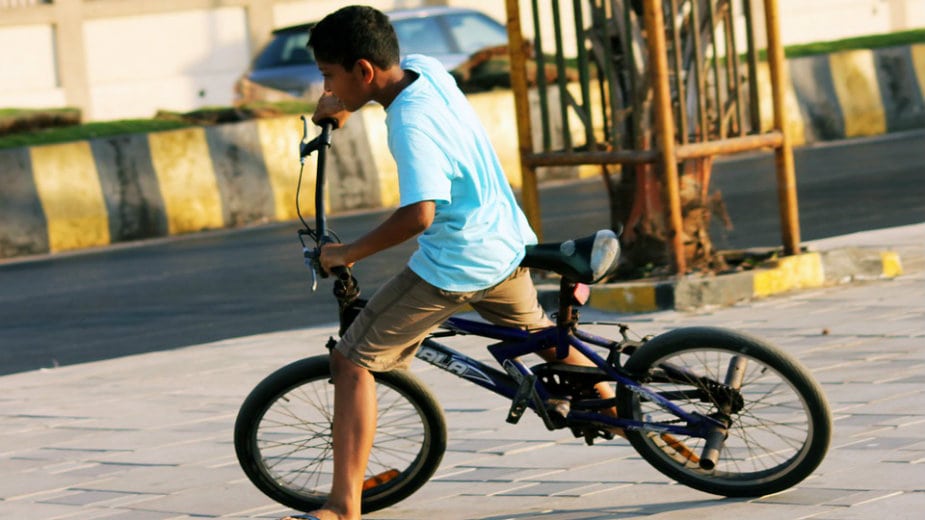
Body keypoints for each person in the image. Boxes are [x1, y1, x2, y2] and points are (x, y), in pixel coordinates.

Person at [281, 6, 616, 520]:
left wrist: (346, 253)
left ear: (363, 70)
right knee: (542, 339)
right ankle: (627, 413)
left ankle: (342, 507)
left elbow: (419, 215)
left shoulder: (409, 126)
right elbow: (379, 87)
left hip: (459, 264)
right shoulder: (427, 69)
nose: (326, 87)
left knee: (352, 361)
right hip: (505, 243)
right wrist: (344, 105)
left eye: (329, 75)